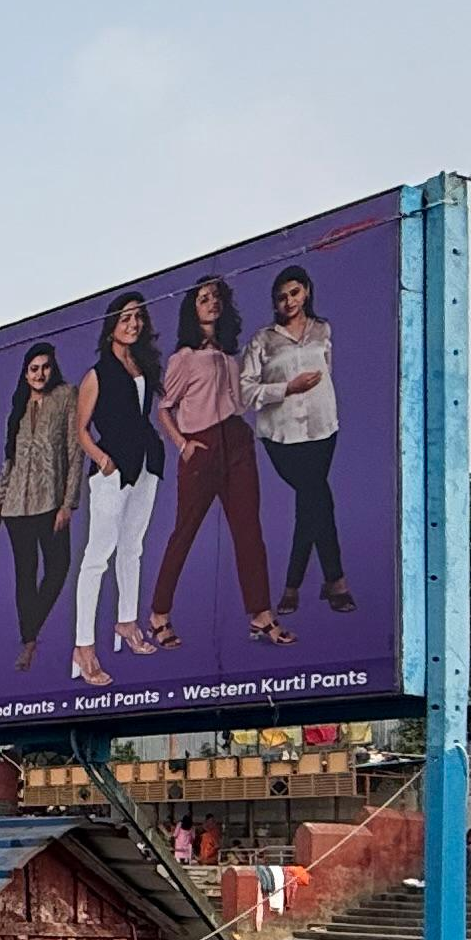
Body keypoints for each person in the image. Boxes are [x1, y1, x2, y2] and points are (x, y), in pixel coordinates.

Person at [150, 273, 283, 650]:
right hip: (202, 445)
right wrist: (183, 444)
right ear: (192, 308)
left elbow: (241, 402)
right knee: (185, 531)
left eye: (216, 297)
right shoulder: (184, 358)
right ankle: (159, 612)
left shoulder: (230, 357)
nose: (211, 302)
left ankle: (260, 614)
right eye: (203, 298)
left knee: (248, 530)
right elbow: (165, 408)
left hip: (237, 440)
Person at [68, 291, 163, 687]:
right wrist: (103, 460)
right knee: (97, 557)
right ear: (112, 324)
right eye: (126, 318)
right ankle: (84, 647)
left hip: (145, 463)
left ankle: (127, 622)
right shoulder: (98, 373)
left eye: (138, 318)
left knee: (133, 548)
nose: (133, 324)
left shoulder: (143, 365)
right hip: (111, 469)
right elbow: (81, 429)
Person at [243, 263, 349, 614]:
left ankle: (293, 587)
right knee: (318, 498)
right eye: (281, 297)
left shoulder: (322, 329)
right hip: (282, 435)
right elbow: (244, 393)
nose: (289, 301)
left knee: (312, 503)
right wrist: (287, 388)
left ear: (306, 292)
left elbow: (327, 372)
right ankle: (334, 580)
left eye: (294, 293)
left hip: (322, 428)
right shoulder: (263, 339)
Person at [0, 340, 78, 672]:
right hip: (17, 508)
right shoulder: (18, 407)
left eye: (45, 367)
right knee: (25, 576)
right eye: (33, 368)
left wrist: (68, 504)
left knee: (59, 567)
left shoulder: (65, 397)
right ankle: (28, 643)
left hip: (50, 503)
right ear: (25, 372)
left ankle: (32, 630)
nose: (40, 374)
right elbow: (9, 465)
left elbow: (74, 452)